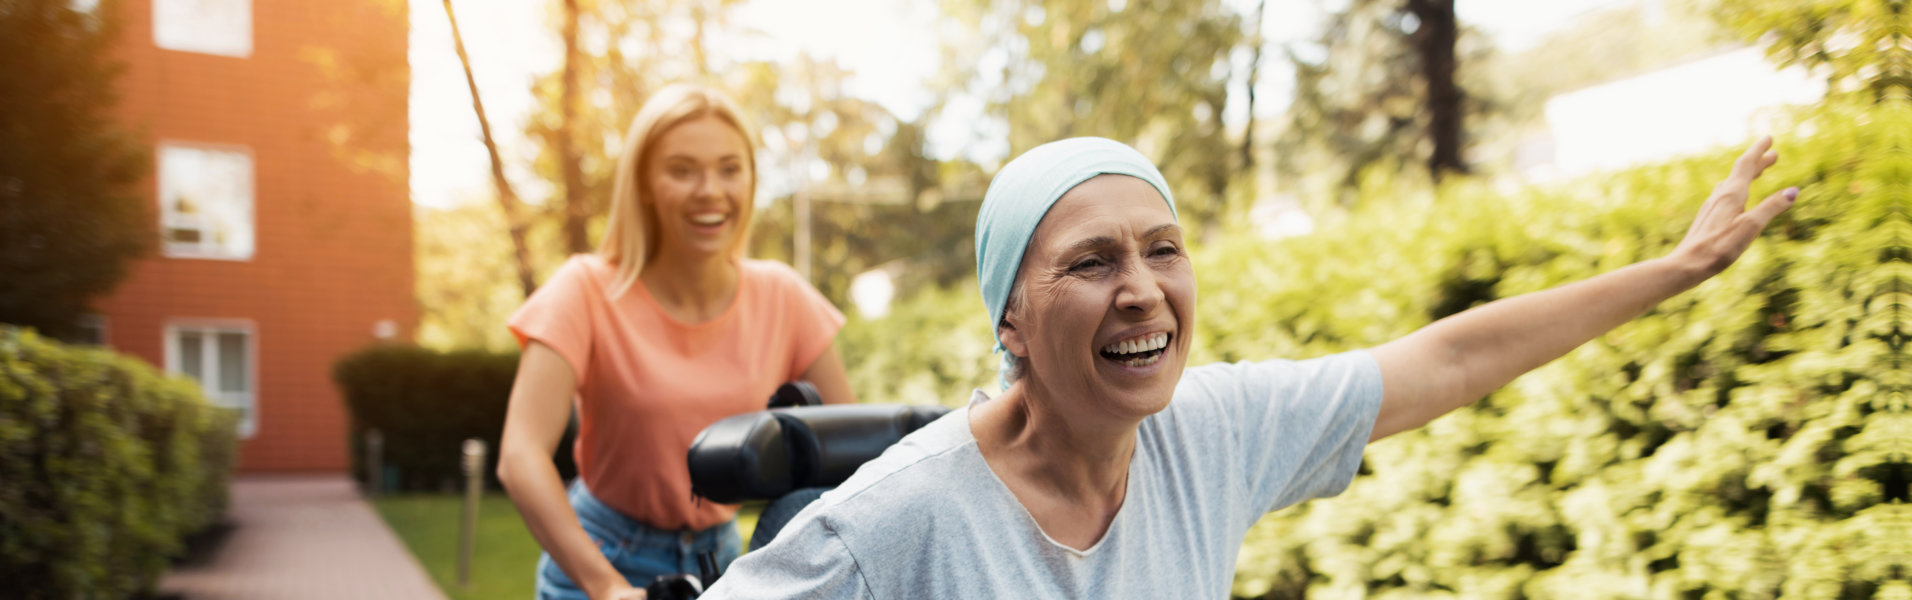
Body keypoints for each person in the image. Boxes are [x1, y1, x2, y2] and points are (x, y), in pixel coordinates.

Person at [699, 136, 1798, 597]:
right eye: (1089, 261)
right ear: (1013, 325)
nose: (1140, 287)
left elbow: (1451, 354)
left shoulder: (1213, 429)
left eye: (1161, 248)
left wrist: (1673, 271)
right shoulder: (896, 522)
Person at [498, 83, 857, 600]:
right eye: (682, 170)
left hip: (726, 561)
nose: (710, 189)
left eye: (729, 168)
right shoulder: (584, 290)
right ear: (645, 183)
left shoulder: (782, 296)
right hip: (601, 559)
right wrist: (605, 587)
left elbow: (853, 454)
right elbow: (520, 455)